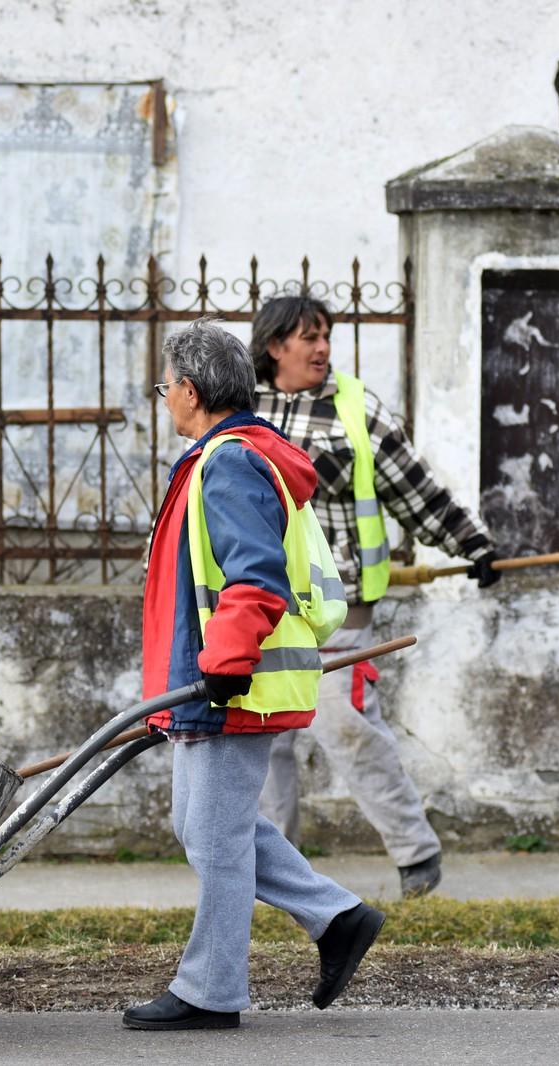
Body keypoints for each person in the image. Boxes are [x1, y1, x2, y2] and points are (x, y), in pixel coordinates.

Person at [123, 318, 385, 1032]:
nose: (164, 399)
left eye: (165, 386)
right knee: (206, 827)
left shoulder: (231, 463)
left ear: (190, 389)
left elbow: (257, 579)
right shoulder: (225, 456)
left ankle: (211, 990)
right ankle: (337, 918)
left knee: (215, 839)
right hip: (212, 678)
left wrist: (227, 666)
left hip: (232, 682)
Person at [252, 295, 501, 899]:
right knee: (260, 748)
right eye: (308, 338)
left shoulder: (356, 409)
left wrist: (473, 544)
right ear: (273, 347)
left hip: (339, 612)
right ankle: (267, 878)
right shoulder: (243, 412)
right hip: (260, 613)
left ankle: (417, 858)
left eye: (326, 336)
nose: (322, 348)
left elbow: (417, 490)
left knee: (350, 729)